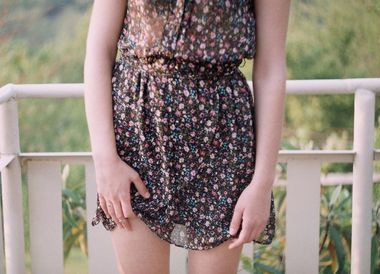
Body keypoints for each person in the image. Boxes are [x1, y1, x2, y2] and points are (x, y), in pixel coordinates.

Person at [83, 0, 291, 273]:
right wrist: (105, 160)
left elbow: (271, 68)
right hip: (138, 134)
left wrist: (262, 184)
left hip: (223, 140)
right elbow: (99, 49)